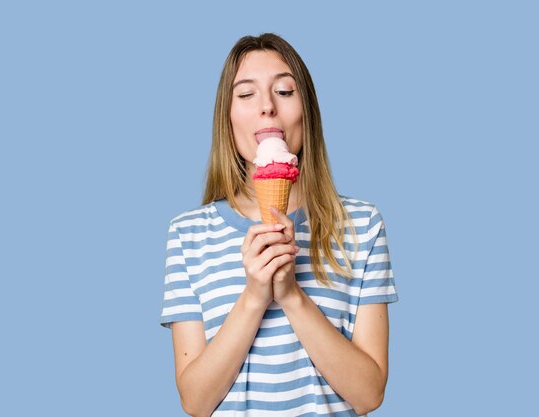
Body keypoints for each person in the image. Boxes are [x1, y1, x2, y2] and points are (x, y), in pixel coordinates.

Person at [160, 33, 398, 417]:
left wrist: (290, 295)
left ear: (308, 111)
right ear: (228, 117)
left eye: (285, 91)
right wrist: (255, 296)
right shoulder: (188, 235)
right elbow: (195, 402)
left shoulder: (361, 225)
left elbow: (369, 395)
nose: (267, 107)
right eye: (246, 94)